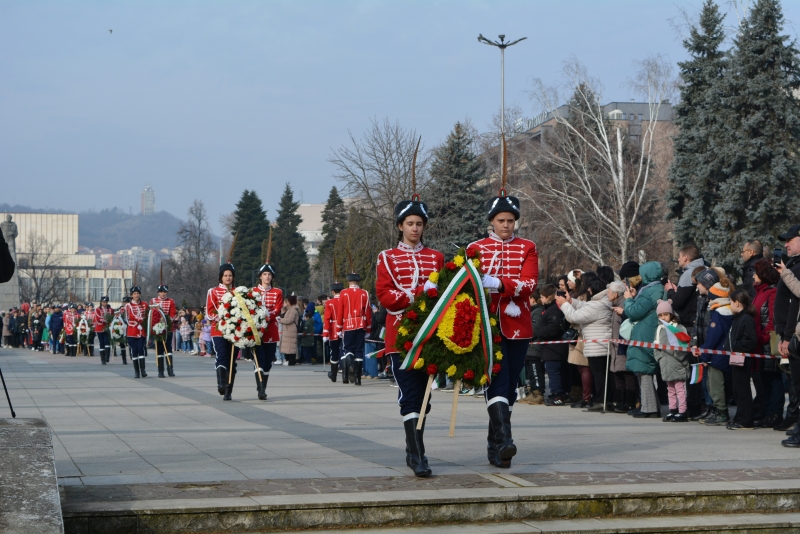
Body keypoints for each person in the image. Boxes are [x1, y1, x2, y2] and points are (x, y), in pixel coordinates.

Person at [375, 188, 443, 477]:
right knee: (410, 394)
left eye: (419, 224)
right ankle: (417, 454)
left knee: (425, 396)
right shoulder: (387, 258)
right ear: (400, 226)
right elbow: (385, 295)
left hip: (430, 337)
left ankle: (414, 447)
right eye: (410, 224)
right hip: (399, 335)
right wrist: (417, 294)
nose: (415, 229)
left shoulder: (437, 257)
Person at [469, 189, 538, 469]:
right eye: (501, 220)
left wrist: (499, 284)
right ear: (492, 221)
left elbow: (530, 284)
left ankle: (495, 444)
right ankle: (506, 440)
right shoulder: (476, 248)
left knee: (509, 385)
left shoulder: (527, 247)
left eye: (511, 220)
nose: (506, 225)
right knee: (495, 378)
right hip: (487, 323)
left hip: (517, 322)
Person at [556, 276, 613, 411]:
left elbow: (575, 316)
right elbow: (585, 306)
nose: (587, 289)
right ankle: (603, 399)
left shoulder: (597, 305)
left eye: (589, 287)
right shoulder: (601, 302)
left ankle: (601, 401)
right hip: (600, 345)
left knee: (599, 375)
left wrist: (564, 304)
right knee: (601, 375)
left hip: (597, 346)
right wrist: (571, 301)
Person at [623, 262, 667, 419]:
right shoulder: (658, 289)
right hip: (651, 333)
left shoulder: (649, 292)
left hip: (644, 335)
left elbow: (634, 312)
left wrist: (628, 300)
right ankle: (652, 405)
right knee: (645, 370)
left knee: (644, 371)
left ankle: (649, 408)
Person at [693, 269, 734, 426]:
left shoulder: (718, 314)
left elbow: (712, 337)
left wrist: (704, 354)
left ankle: (721, 412)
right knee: (722, 384)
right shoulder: (730, 312)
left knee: (715, 385)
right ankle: (719, 410)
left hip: (717, 356)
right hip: (725, 354)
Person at [774, 225, 800, 447]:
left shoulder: (796, 268)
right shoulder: (792, 266)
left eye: (790, 239)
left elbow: (795, 304)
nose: (786, 244)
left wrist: (787, 336)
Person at [751, 259, 782, 429]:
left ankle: (775, 412)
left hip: (768, 343)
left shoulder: (772, 292)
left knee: (773, 379)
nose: (753, 276)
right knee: (763, 379)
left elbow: (772, 319)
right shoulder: (758, 291)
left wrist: (764, 337)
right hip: (758, 343)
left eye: (756, 273)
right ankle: (766, 410)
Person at [725, 289, 759, 430]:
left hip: (743, 358)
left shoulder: (746, 319)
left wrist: (736, 346)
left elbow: (750, 340)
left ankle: (745, 420)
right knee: (737, 389)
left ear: (737, 303)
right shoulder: (738, 318)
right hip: (736, 357)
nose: (730, 305)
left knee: (743, 389)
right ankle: (740, 417)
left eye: (731, 302)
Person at [653, 300, 690, 422]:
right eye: (661, 315)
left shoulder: (679, 328)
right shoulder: (659, 329)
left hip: (678, 363)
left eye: (666, 314)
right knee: (670, 389)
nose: (663, 317)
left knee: (680, 389)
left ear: (671, 314)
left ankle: (682, 411)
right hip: (666, 364)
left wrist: (678, 358)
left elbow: (684, 345)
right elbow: (656, 346)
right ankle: (672, 410)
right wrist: (660, 358)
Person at [207, 263, 238, 399]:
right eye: (226, 275)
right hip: (218, 329)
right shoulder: (213, 291)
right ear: (221, 277)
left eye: (230, 275)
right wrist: (222, 318)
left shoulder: (238, 292)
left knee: (232, 360)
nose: (228, 278)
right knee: (222, 354)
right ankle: (221, 384)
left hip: (236, 331)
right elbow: (209, 312)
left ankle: (228, 390)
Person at [252, 262, 282, 400]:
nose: (267, 277)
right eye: (264, 274)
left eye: (269, 274)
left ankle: (263, 385)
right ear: (260, 276)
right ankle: (260, 388)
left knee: (268, 360)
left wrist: (266, 315)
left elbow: (277, 309)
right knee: (259, 360)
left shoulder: (278, 292)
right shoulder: (252, 292)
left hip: (270, 329)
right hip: (257, 330)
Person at [338, 268, 372, 386]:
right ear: (358, 282)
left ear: (348, 282)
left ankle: (350, 362)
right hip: (361, 324)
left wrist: (338, 327)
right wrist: (368, 327)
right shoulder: (364, 293)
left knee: (347, 348)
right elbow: (368, 311)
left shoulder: (343, 293)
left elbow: (340, 311)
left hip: (347, 324)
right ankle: (358, 379)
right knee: (359, 350)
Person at [607, 281, 637, 413]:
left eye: (608, 292)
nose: (607, 294)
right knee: (617, 372)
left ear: (615, 294)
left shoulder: (624, 303)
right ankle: (620, 401)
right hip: (615, 344)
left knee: (626, 373)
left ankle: (629, 402)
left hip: (623, 343)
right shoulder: (615, 305)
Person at [538, 284, 569, 406]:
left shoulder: (554, 310)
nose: (541, 299)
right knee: (555, 372)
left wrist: (538, 332)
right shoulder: (549, 309)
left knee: (554, 372)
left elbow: (553, 328)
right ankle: (557, 393)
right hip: (550, 348)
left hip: (554, 349)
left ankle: (557, 395)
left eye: (542, 297)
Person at [520, 289, 545, 404]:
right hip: (528, 348)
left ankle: (538, 392)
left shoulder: (538, 311)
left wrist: (523, 333)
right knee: (530, 373)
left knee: (536, 372)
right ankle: (532, 391)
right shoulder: (530, 311)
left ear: (533, 299)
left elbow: (534, 329)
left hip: (535, 348)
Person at [150, 282, 177, 378]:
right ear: (158, 292)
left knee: (168, 348)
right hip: (157, 328)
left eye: (165, 292)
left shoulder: (171, 301)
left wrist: (166, 321)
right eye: (161, 292)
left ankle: (170, 369)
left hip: (168, 328)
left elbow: (173, 314)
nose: (163, 294)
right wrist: (157, 325)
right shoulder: (153, 301)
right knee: (159, 349)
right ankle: (160, 371)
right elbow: (151, 314)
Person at [124, 287, 149, 378]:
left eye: (138, 293)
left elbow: (147, 315)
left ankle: (143, 370)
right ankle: (136, 372)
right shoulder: (128, 306)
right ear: (131, 295)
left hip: (141, 330)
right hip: (132, 330)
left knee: (140, 349)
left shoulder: (145, 304)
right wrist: (139, 319)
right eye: (134, 294)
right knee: (134, 350)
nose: (136, 295)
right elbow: (129, 316)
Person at [323, 280, 344, 382]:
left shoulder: (330, 302)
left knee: (334, 352)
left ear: (332, 292)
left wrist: (325, 333)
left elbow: (327, 318)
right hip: (345, 328)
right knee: (345, 351)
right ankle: (345, 376)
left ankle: (334, 375)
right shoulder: (345, 300)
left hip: (333, 330)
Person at [279, 296, 301, 366]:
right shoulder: (290, 309)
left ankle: (291, 361)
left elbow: (290, 320)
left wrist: (281, 320)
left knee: (290, 346)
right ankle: (289, 360)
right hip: (288, 330)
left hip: (290, 330)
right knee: (289, 345)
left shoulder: (293, 310)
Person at [94, 297, 113, 365]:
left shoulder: (110, 309)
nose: (105, 303)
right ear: (101, 302)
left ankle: (107, 356)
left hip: (107, 327)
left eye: (106, 302)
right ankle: (103, 359)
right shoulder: (97, 309)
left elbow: (112, 317)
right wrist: (106, 320)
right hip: (100, 327)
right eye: (103, 302)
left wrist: (110, 321)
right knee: (101, 343)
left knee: (107, 342)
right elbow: (98, 318)